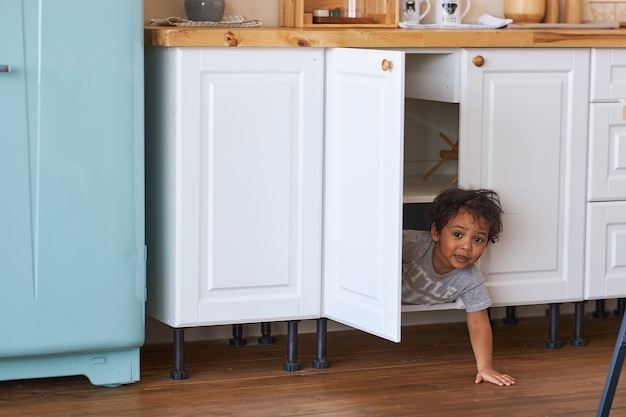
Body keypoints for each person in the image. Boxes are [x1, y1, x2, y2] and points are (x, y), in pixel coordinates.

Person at [402, 188, 516, 387]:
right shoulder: (411, 244)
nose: (467, 246)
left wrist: (485, 367)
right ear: (436, 232)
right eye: (457, 234)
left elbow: (479, 323)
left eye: (478, 239)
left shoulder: (470, 278)